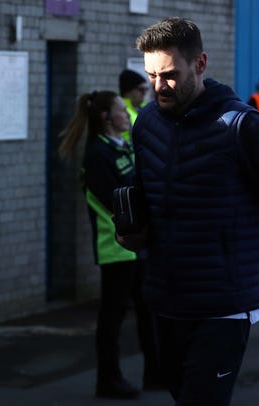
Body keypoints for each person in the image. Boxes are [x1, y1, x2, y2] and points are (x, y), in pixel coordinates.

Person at [117, 17, 259, 405]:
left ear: (200, 64)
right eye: (150, 75)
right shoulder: (147, 122)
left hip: (223, 302)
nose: (158, 87)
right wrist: (132, 227)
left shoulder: (242, 127)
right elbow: (146, 187)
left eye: (169, 75)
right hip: (165, 295)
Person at [57, 90, 160, 399]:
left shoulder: (124, 147)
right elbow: (118, 202)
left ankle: (155, 372)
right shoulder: (97, 156)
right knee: (112, 318)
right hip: (116, 248)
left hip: (137, 245)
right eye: (120, 110)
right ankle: (108, 379)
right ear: (106, 117)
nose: (126, 116)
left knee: (148, 311)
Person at [118, 69, 149, 143]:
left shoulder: (147, 109)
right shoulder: (119, 111)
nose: (144, 93)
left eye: (146, 89)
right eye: (141, 89)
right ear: (128, 91)